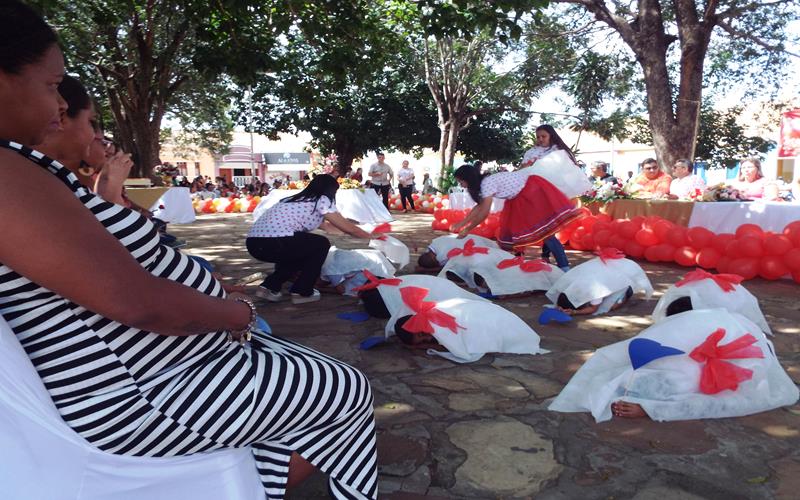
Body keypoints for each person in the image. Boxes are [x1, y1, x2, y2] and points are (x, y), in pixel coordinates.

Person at [0, 4, 377, 498]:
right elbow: (139, 302)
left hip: (162, 369)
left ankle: (243, 481)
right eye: (52, 86)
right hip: (137, 397)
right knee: (346, 390)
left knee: (304, 365)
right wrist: (236, 314)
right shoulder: (8, 175)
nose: (58, 107)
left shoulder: (23, 169)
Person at [549, 308, 798, 422]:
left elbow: (717, 404)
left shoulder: (742, 372)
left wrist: (652, 409)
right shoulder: (673, 351)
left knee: (725, 394)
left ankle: (649, 393)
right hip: (716, 330)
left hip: (738, 343)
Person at [451, 125, 585, 271]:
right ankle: (517, 262)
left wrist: (468, 228)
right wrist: (462, 223)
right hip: (519, 194)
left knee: (545, 231)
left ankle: (564, 266)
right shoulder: (486, 183)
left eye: (461, 181)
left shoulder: (487, 183)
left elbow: (484, 212)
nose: (461, 185)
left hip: (533, 191)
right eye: (538, 136)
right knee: (519, 231)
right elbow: (480, 207)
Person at [246, 174, 374, 304]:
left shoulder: (296, 200)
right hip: (275, 242)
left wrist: (360, 230)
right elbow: (347, 227)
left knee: (302, 250)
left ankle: (269, 287)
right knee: (321, 244)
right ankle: (302, 291)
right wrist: (370, 235)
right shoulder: (322, 199)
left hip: (255, 244)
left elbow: (331, 228)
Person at [365, 284, 546, 363]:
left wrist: (425, 347)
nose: (428, 338)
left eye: (422, 336)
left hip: (496, 320)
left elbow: (463, 353)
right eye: (423, 340)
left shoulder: (435, 322)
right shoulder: (424, 313)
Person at [545, 248, 653, 316]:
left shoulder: (595, 291)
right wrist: (559, 305)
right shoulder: (569, 284)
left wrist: (575, 312)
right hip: (607, 268)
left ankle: (627, 292)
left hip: (624, 275)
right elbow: (562, 296)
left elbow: (593, 308)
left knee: (611, 307)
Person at [417, 233, 500, 271]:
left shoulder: (442, 256)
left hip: (483, 247)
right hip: (473, 238)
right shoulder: (435, 242)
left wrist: (427, 270)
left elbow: (447, 268)